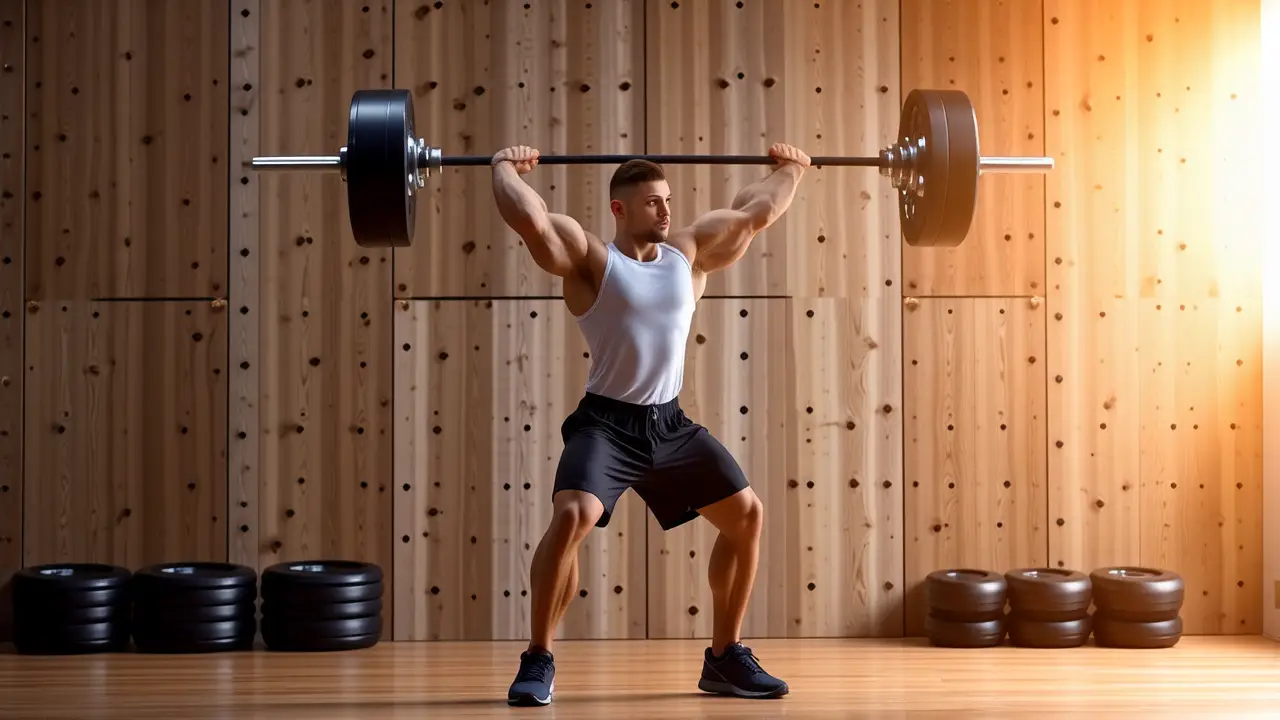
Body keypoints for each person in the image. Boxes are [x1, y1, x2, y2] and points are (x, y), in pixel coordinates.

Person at [490, 142, 810, 707]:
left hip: (669, 424)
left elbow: (754, 213)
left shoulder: (687, 253)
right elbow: (532, 222)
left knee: (747, 515)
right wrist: (502, 168)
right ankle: (539, 657)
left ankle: (724, 655)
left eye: (667, 200)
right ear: (619, 209)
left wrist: (791, 169)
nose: (665, 211)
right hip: (606, 425)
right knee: (573, 515)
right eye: (652, 202)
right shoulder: (592, 261)